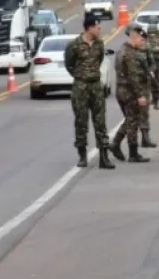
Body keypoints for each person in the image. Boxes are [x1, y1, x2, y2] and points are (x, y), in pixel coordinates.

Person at [64, 13, 115, 169]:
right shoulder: (74, 45)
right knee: (81, 121)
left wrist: (92, 75)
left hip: (95, 86)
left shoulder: (99, 44)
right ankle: (82, 155)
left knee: (100, 122)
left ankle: (104, 157)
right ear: (90, 27)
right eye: (97, 27)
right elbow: (69, 64)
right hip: (80, 87)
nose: (100, 29)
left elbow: (99, 59)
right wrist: (80, 76)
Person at [110, 24, 152, 163]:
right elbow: (133, 77)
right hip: (129, 92)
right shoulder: (130, 54)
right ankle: (132, 153)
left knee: (130, 119)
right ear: (134, 36)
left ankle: (116, 143)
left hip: (120, 90)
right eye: (141, 39)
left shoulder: (121, 50)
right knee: (133, 120)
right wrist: (140, 95)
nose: (142, 42)